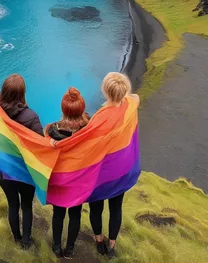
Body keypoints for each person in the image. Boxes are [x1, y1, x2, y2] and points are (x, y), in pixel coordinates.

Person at [89, 72, 140, 258]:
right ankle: (112, 244)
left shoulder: (100, 118)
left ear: (104, 91)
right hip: (123, 170)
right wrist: (122, 95)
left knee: (96, 207)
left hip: (103, 174)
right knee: (116, 207)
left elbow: (87, 144)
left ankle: (99, 240)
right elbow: (135, 96)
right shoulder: (132, 104)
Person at [0, 74, 44, 249]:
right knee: (26, 205)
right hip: (24, 172)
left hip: (4, 170)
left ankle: (16, 238)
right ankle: (26, 241)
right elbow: (41, 146)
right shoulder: (31, 116)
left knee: (13, 205)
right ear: (22, 93)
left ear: (4, 91)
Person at [46, 87, 90, 259]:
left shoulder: (52, 132)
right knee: (75, 214)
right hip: (79, 180)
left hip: (60, 180)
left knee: (58, 213)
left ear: (63, 109)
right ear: (81, 108)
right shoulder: (90, 130)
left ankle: (57, 248)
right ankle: (70, 249)